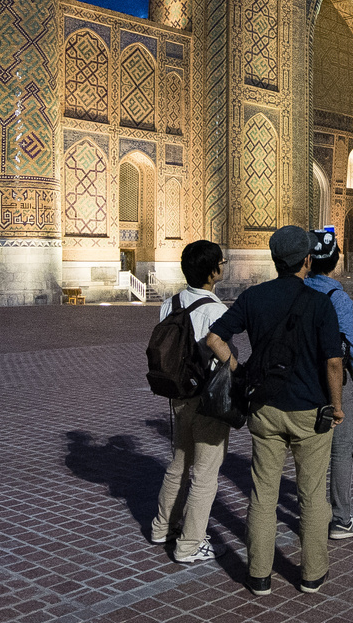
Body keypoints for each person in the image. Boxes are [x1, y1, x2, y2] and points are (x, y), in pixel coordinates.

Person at [206, 227, 345, 597]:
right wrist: (337, 406)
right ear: (307, 261)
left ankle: (259, 575)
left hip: (265, 409)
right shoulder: (319, 302)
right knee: (312, 497)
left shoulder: (254, 298)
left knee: (263, 495)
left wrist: (240, 371)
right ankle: (312, 575)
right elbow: (334, 363)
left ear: (274, 261)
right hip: (310, 411)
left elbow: (214, 339)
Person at [150, 241, 230, 563]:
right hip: (207, 400)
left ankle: (161, 527)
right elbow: (222, 356)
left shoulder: (169, 304)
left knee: (180, 463)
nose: (222, 267)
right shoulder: (215, 309)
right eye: (220, 263)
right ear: (212, 271)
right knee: (205, 474)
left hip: (178, 396)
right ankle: (190, 544)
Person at [304, 243, 353, 541]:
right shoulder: (337, 296)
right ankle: (342, 519)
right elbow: (348, 342)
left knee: (311, 448)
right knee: (341, 449)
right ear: (335, 262)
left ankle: (312, 511)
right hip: (335, 380)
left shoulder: (299, 289)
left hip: (303, 379)